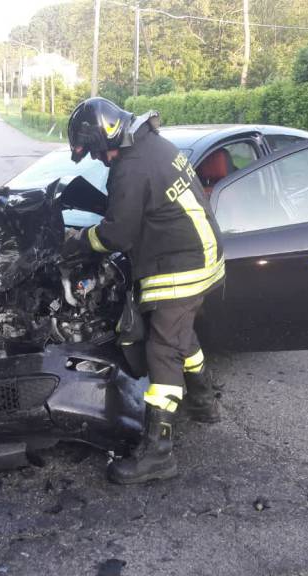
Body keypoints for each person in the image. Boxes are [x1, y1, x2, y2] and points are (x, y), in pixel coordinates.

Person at [63, 97, 225, 484]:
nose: (99, 161)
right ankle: (204, 403)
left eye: (96, 153)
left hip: (181, 263)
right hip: (204, 254)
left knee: (162, 350)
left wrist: (76, 242)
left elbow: (117, 234)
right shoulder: (153, 144)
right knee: (180, 333)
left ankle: (158, 454)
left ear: (104, 139)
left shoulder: (130, 167)